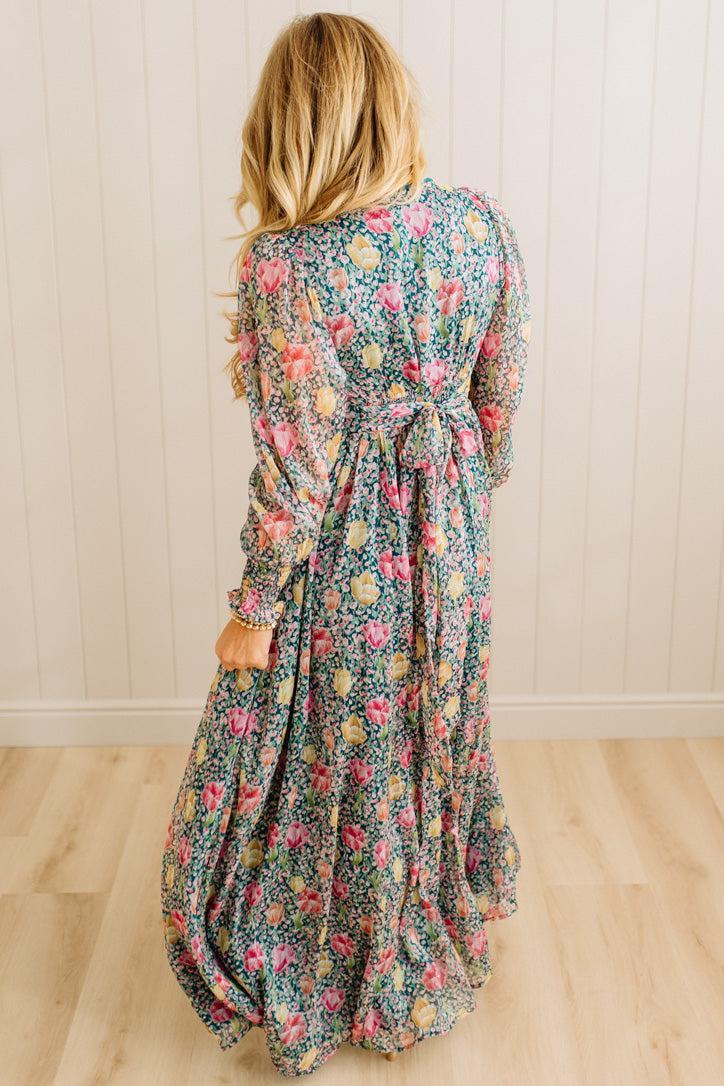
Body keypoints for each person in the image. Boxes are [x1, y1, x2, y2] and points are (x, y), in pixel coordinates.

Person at [160, 11, 531, 1078]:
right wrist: (450, 491)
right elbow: (497, 408)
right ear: (392, 102)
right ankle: (425, 927)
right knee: (433, 723)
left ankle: (345, 963)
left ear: (287, 123)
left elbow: (296, 473)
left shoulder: (289, 266)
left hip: (347, 542)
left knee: (343, 747)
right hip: (450, 520)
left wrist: (254, 609)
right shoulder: (479, 225)